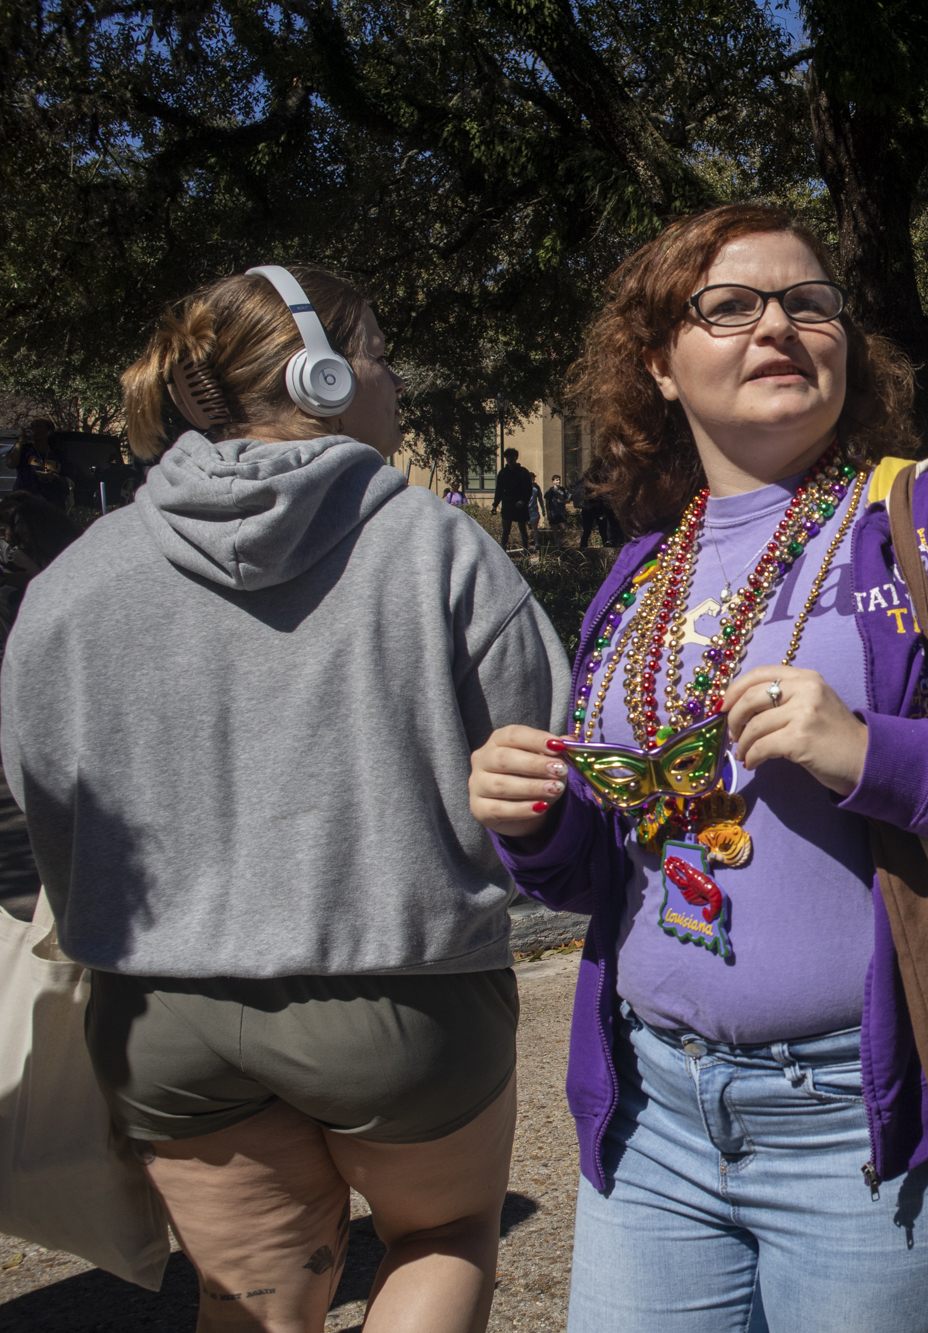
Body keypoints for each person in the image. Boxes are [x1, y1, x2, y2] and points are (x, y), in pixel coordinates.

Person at [466, 202, 928, 1333]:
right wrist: (535, 822)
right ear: (659, 365)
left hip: (868, 1128)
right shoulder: (638, 574)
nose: (778, 325)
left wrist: (872, 751)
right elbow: (612, 871)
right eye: (728, 306)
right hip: (654, 1117)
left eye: (808, 301)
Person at [0, 264, 567, 1332]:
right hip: (402, 998)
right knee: (438, 1241)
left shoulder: (79, 574)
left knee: (248, 1299)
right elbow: (542, 760)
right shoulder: (436, 545)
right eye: (378, 353)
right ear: (319, 375)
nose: (394, 379)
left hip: (165, 1015)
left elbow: (42, 790)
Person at [0, 491, 79, 645]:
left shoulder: (64, 547)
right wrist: (5, 579)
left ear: (36, 521)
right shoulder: (39, 547)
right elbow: (32, 578)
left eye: (21, 523)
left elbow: (51, 589)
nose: (16, 530)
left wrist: (26, 562)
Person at [494, 446, 533, 549]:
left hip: (520, 504)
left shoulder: (523, 472)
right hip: (508, 504)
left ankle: (526, 552)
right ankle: (503, 552)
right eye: (508, 457)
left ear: (516, 457)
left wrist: (523, 501)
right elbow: (499, 490)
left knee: (523, 529)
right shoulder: (503, 473)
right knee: (506, 530)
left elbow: (528, 489)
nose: (510, 459)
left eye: (512, 457)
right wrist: (495, 505)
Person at [545, 473, 572, 542]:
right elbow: (547, 502)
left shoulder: (563, 490)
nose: (559, 481)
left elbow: (569, 500)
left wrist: (562, 501)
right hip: (553, 512)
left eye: (559, 480)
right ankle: (556, 542)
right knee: (554, 528)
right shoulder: (550, 491)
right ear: (553, 481)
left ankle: (558, 538)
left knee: (563, 528)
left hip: (561, 512)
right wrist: (548, 512)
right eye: (557, 480)